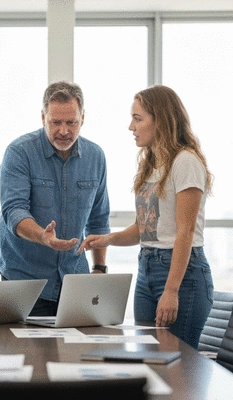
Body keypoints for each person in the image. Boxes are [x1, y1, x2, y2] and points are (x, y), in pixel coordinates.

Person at [78, 84, 214, 349]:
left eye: (137, 118)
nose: (131, 126)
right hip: (148, 268)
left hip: (181, 275)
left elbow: (185, 231)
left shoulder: (185, 162)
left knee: (177, 367)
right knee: (149, 360)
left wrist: (172, 290)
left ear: (160, 120)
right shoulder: (151, 165)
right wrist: (107, 239)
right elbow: (144, 228)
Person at [0, 81, 111, 316]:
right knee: (25, 352)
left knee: (73, 352)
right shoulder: (19, 152)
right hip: (24, 279)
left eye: (71, 122)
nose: (63, 131)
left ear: (83, 118)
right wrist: (43, 237)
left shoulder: (96, 157)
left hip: (74, 280)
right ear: (42, 117)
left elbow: (99, 219)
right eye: (55, 122)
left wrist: (99, 268)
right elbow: (14, 211)